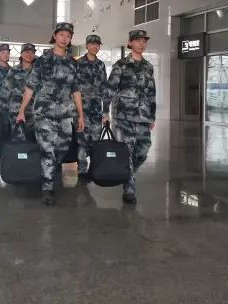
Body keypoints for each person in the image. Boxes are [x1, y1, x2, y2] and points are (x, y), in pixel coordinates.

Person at [16, 22, 85, 206]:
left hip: (65, 114)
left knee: (62, 149)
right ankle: (47, 187)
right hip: (44, 112)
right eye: (61, 34)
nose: (65, 38)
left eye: (68, 36)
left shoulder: (73, 63)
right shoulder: (42, 61)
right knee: (47, 150)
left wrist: (80, 114)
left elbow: (76, 90)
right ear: (55, 36)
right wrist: (22, 110)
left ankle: (48, 172)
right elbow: (30, 87)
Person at [105, 29, 156, 205]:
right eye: (138, 40)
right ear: (130, 43)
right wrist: (105, 112)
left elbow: (151, 92)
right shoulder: (120, 65)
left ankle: (127, 172)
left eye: (144, 40)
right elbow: (110, 89)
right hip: (124, 117)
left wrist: (152, 116)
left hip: (143, 116)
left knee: (143, 150)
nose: (142, 43)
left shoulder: (149, 67)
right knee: (127, 152)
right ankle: (129, 191)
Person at [75, 34, 110, 181]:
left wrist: (106, 111)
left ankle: (93, 169)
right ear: (86, 45)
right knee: (82, 141)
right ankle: (82, 170)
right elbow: (73, 88)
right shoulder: (78, 63)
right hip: (81, 110)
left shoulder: (101, 65)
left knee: (95, 141)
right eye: (92, 44)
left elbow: (105, 88)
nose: (95, 46)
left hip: (96, 110)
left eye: (97, 44)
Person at [0, 43, 36, 134]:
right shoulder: (14, 70)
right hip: (16, 112)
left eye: (32, 52)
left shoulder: (38, 71)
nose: (29, 55)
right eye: (26, 52)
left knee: (33, 140)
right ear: (21, 54)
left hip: (34, 112)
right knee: (18, 138)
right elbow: (5, 90)